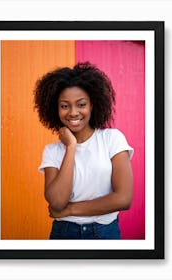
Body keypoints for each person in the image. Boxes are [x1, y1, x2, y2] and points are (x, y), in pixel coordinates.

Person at [34, 61, 134, 239]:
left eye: (81, 104)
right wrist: (71, 147)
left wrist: (71, 209)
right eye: (65, 106)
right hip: (64, 233)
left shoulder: (112, 139)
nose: (73, 112)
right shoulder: (52, 151)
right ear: (55, 109)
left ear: (92, 105)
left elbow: (123, 199)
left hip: (105, 233)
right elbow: (57, 202)